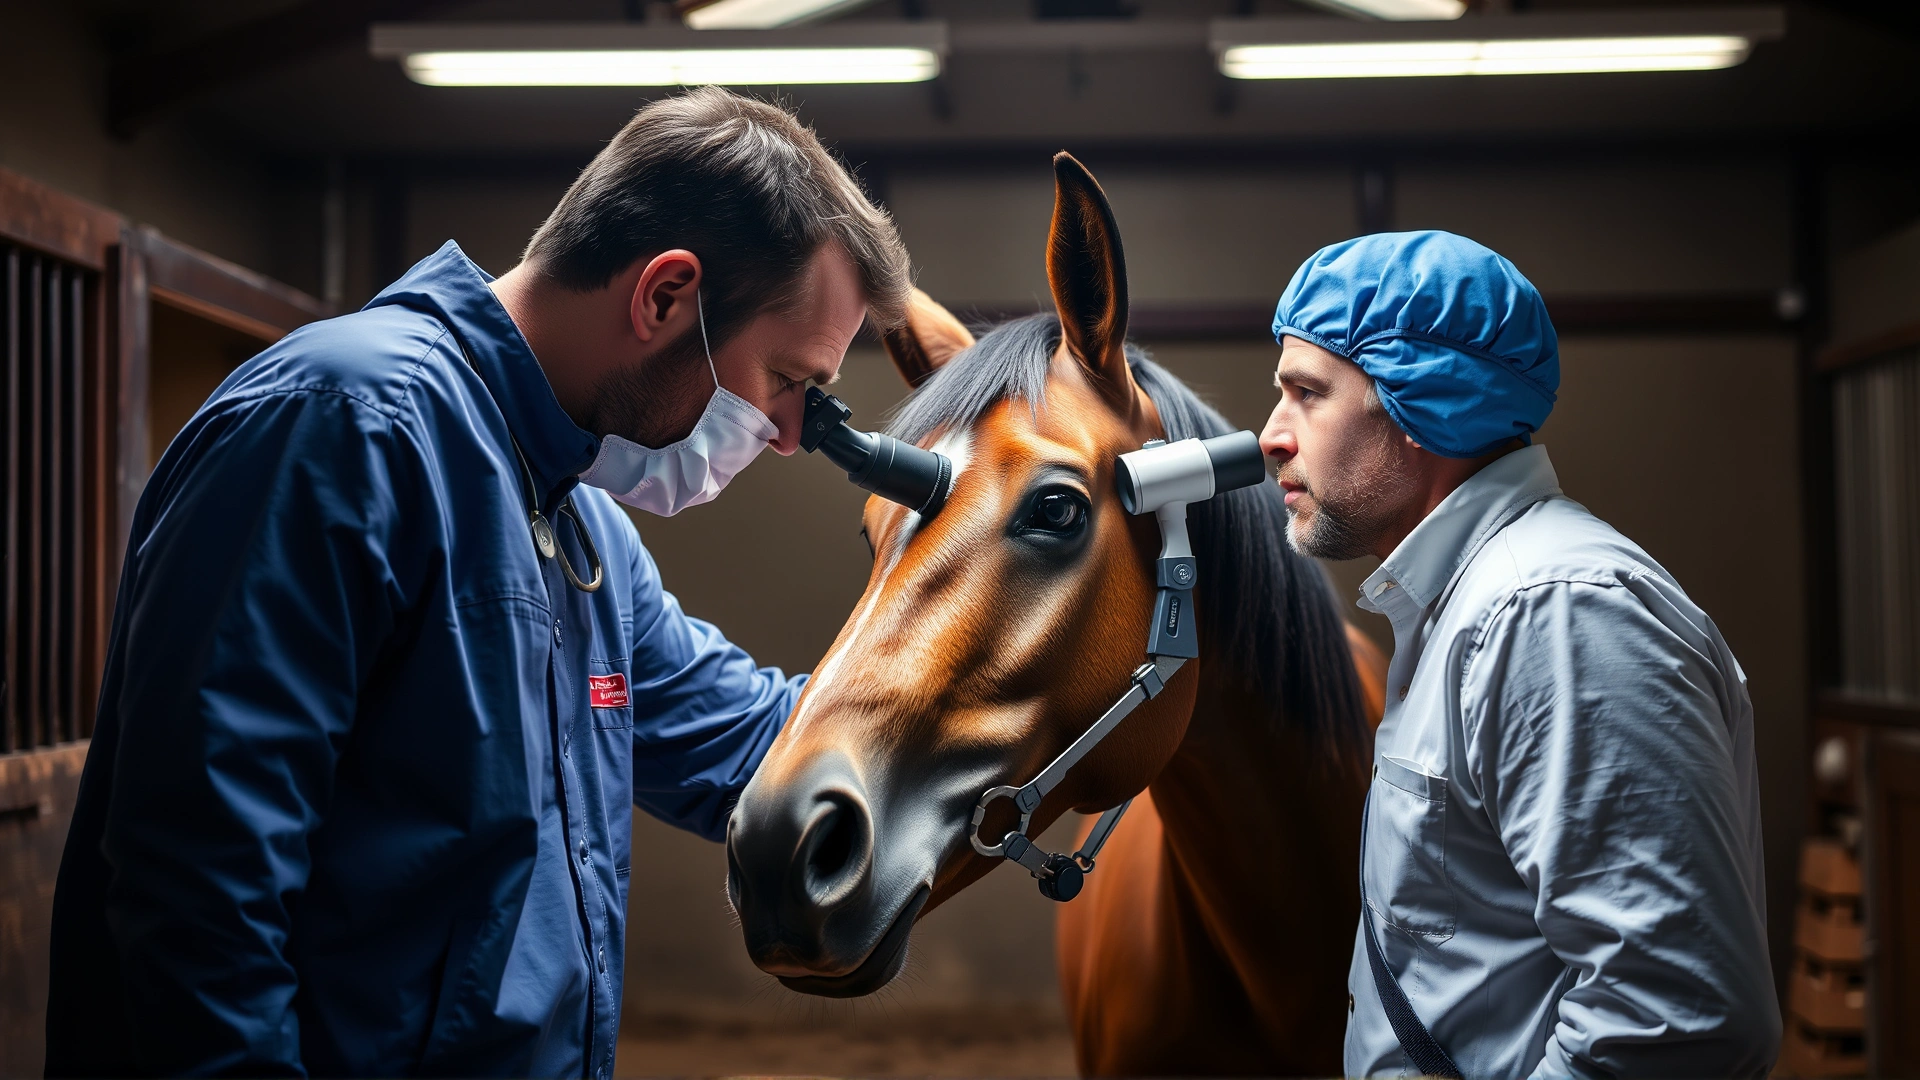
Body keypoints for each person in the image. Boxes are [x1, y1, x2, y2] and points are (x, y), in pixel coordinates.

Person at [45, 87, 910, 1078]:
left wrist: (1020, 682)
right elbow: (202, 891)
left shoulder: (583, 532)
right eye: (789, 381)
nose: (797, 434)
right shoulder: (347, 428)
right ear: (665, 296)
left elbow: (752, 741)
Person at [1259, 231, 1780, 1079]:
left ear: (1423, 396)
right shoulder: (1463, 605)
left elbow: (1677, 1022)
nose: (1271, 435)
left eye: (1307, 394)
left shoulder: (1553, 616)